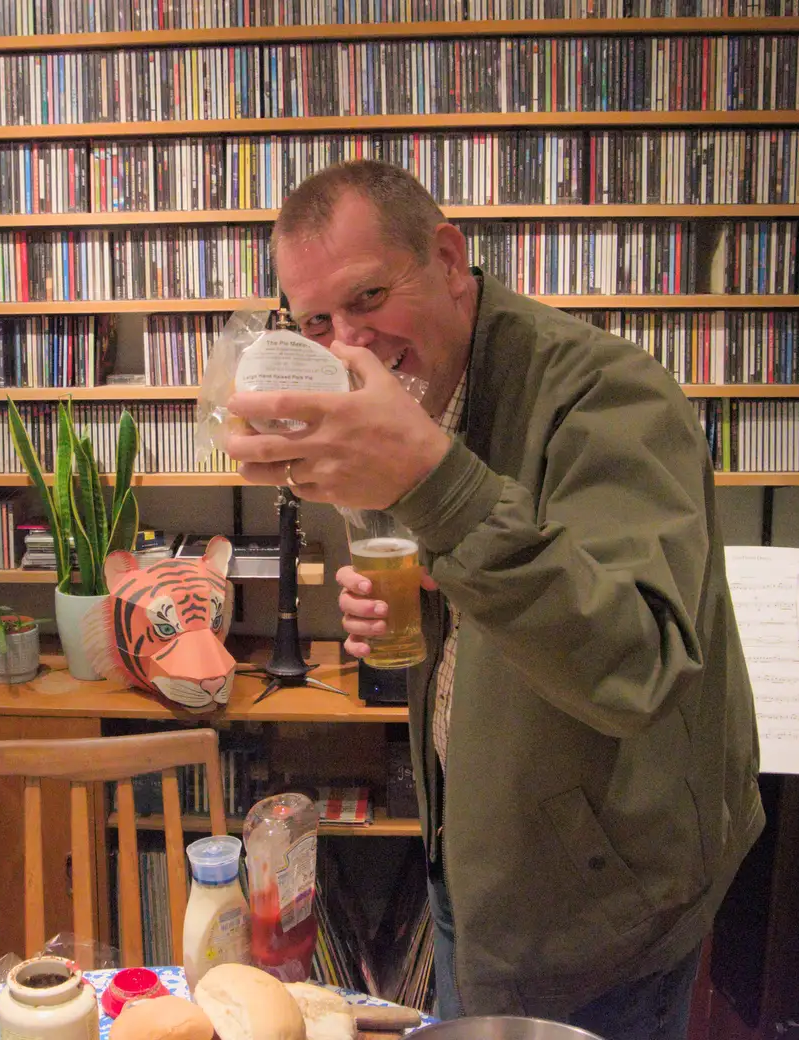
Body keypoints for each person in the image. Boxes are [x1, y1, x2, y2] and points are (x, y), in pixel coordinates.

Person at [222, 160, 763, 1039]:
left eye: (368, 298)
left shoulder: (612, 396)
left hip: (610, 903)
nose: (347, 347)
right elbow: (505, 577)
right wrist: (426, 589)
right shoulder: (422, 389)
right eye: (316, 320)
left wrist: (433, 486)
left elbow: (639, 662)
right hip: (473, 863)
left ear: (447, 259)